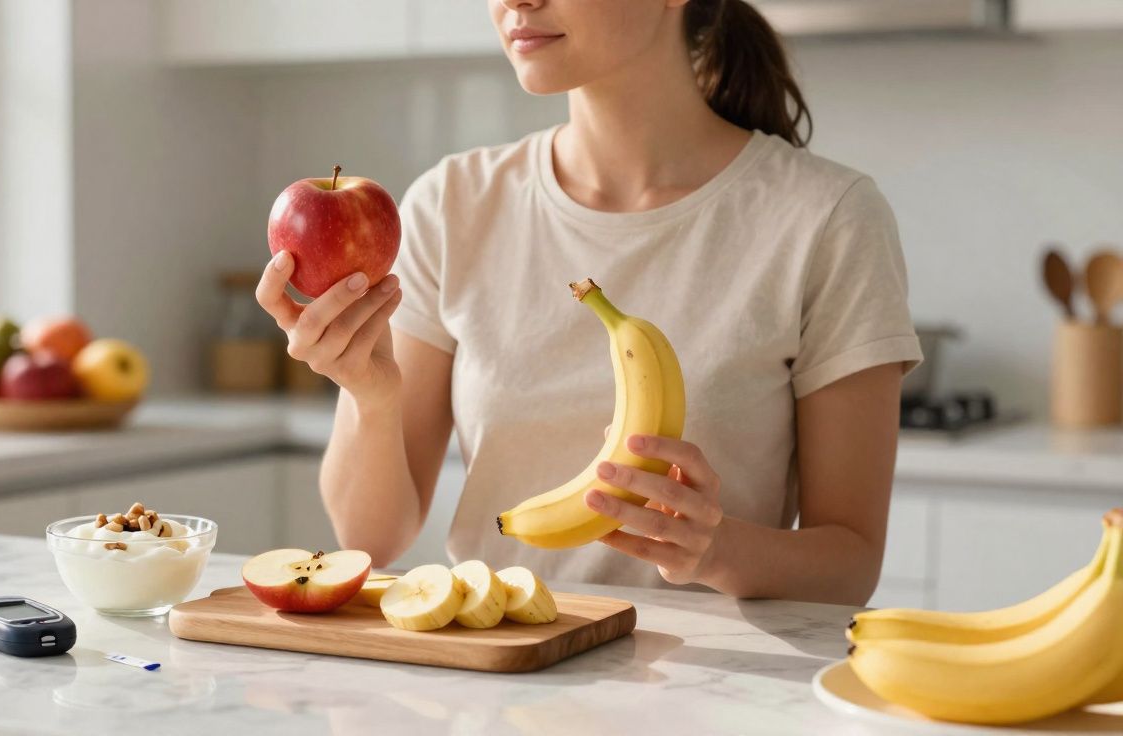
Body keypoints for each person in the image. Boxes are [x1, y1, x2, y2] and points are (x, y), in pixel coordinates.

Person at [256, 0, 922, 606]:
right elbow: (370, 536)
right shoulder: (453, 204)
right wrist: (368, 392)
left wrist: (716, 551)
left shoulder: (827, 219)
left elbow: (851, 562)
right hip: (498, 680)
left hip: (711, 691)